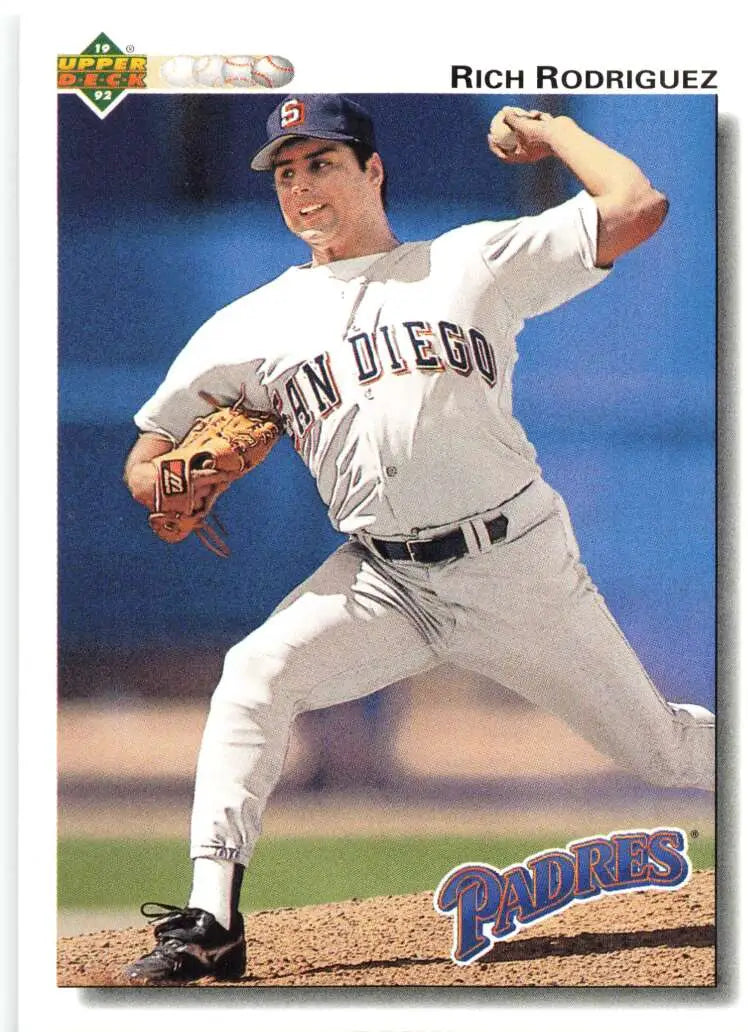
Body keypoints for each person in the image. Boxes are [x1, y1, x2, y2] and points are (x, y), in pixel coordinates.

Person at [122, 94, 715, 984]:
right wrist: (172, 480)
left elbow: (637, 207)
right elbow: (148, 457)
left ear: (372, 170)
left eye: (320, 162)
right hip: (382, 581)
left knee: (659, 750)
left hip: (515, 565)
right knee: (254, 675)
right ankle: (212, 918)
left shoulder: (467, 260)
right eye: (284, 172)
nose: (300, 186)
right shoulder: (249, 323)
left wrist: (553, 133)